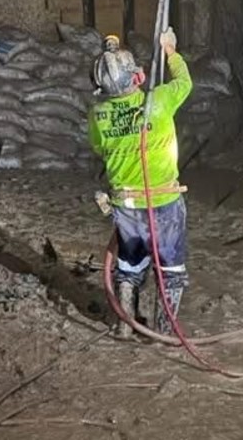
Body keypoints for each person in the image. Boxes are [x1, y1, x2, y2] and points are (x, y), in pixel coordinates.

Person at [89, 27, 193, 339]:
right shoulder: (159, 101)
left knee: (129, 266)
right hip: (165, 204)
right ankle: (164, 330)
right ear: (137, 78)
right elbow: (185, 83)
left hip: (128, 207)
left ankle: (125, 326)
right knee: (170, 271)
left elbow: (98, 147)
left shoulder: (98, 116)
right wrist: (170, 51)